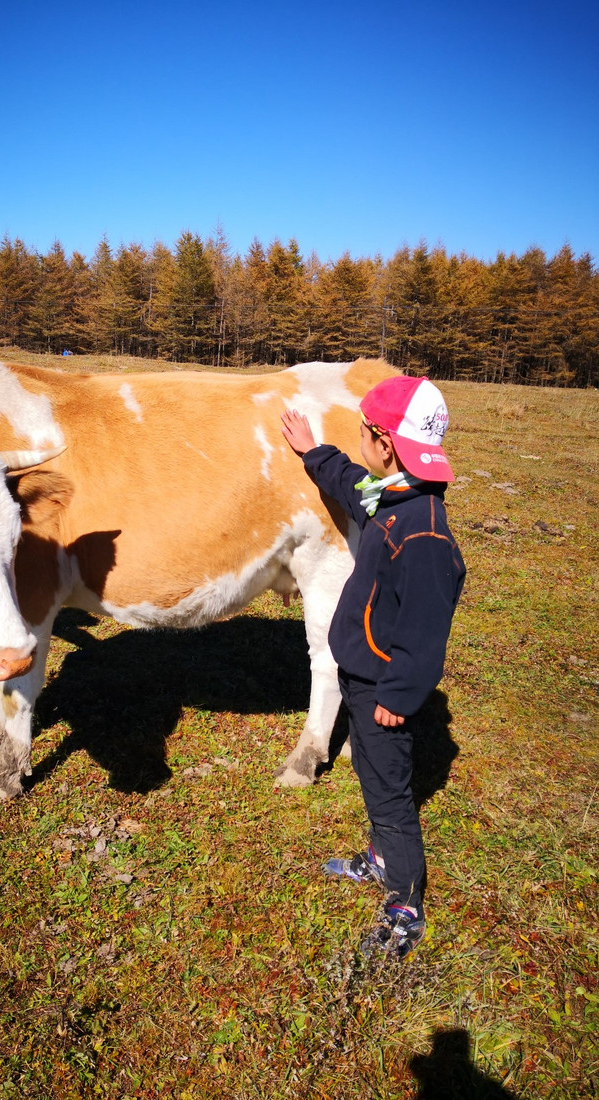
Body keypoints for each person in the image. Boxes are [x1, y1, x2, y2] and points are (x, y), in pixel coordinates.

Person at [280, 375, 465, 960]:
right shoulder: (395, 494)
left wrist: (400, 695)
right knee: (371, 777)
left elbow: (426, 633)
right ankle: (382, 858)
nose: (357, 438)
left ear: (385, 442)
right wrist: (313, 451)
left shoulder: (426, 533)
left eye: (362, 429)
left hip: (384, 686)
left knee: (390, 795)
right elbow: (348, 480)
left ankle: (406, 901)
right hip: (362, 676)